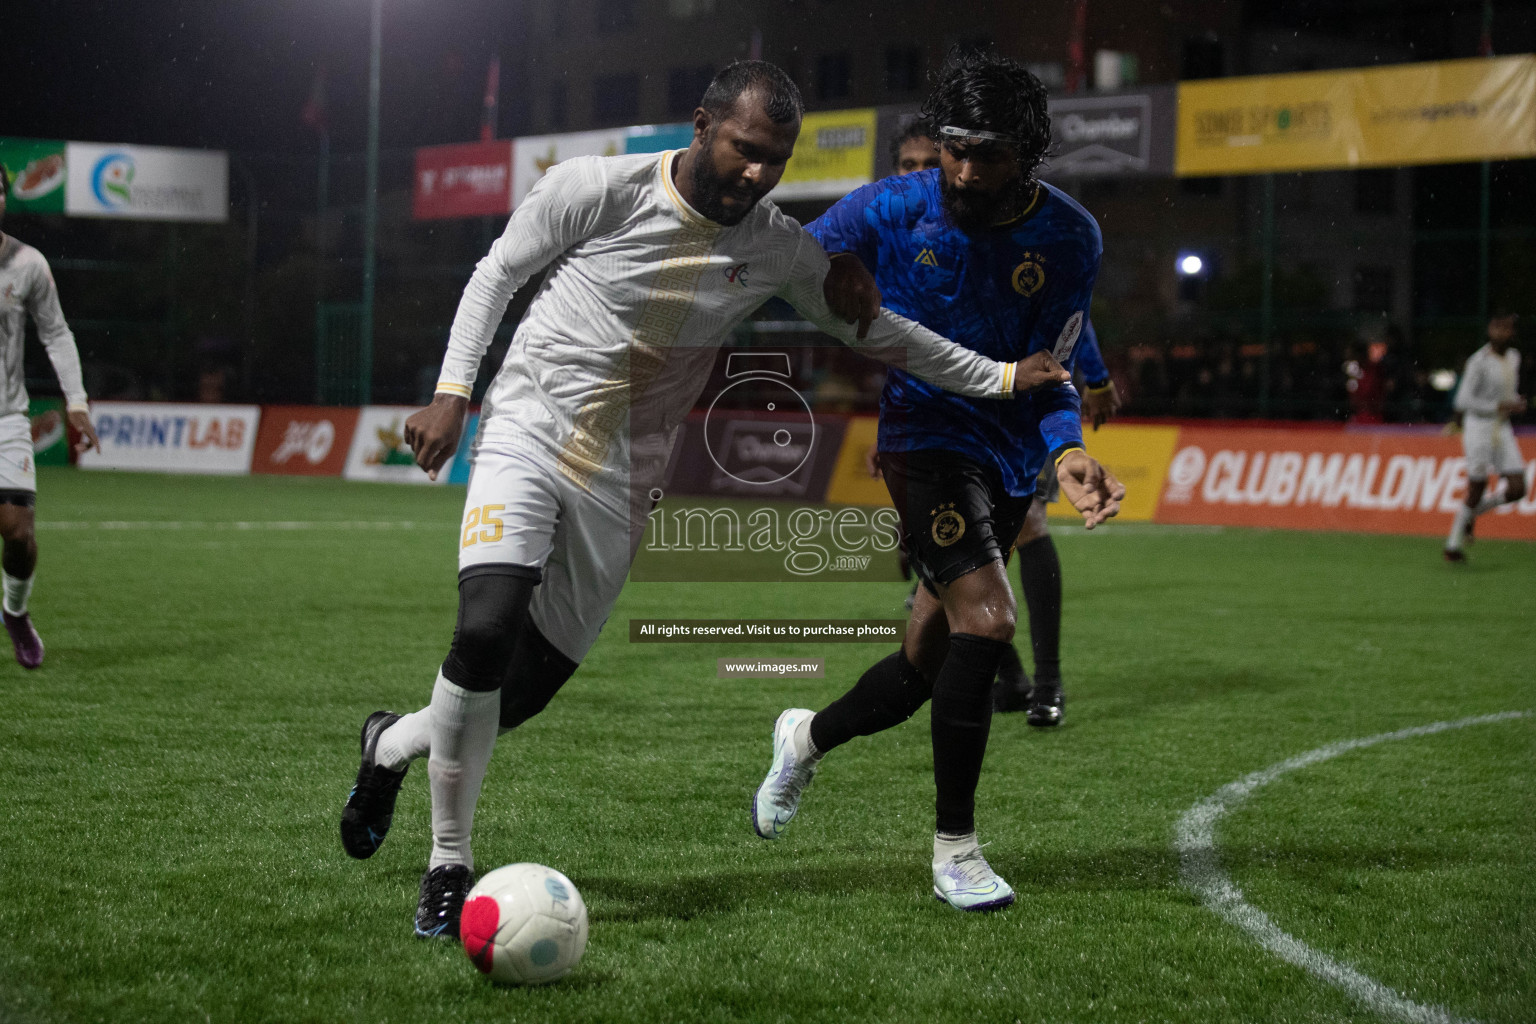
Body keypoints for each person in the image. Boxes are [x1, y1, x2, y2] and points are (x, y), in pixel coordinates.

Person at [336, 60, 1072, 940]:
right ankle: (448, 864)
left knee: (520, 694)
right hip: (527, 433)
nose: (758, 175)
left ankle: (389, 745)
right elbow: (498, 273)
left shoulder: (775, 247)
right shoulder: (593, 189)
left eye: (778, 161)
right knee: (486, 629)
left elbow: (888, 338)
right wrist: (454, 391)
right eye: (745, 150)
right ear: (701, 126)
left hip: (624, 477)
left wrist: (998, 375)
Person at [752, 51, 1123, 912]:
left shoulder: (1071, 237)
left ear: (1027, 154)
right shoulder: (896, 205)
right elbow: (793, 250)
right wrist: (829, 264)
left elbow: (1053, 363)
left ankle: (804, 739)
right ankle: (956, 850)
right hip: (922, 439)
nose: (961, 170)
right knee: (991, 620)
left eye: (986, 153)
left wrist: (1065, 451)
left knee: (927, 663)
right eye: (952, 147)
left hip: (1007, 452)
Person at [872, 119, 1124, 727]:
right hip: (931, 425)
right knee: (953, 568)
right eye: (904, 165)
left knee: (1024, 530)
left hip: (1009, 415)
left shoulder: (998, 229)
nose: (915, 176)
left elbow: (1066, 321)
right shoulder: (896, 230)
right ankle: (1010, 677)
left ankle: (1048, 683)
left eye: (924, 164)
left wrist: (1092, 378)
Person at [0, 169, 99, 669]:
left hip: (6, 420)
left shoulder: (26, 263)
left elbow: (56, 334)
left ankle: (14, 612)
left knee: (18, 533)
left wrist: (76, 400)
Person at [1444, 311, 1526, 562]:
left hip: (1501, 427)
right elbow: (1463, 399)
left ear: (1511, 332)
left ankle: (1472, 515)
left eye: (1506, 328)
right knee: (1477, 485)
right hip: (1478, 426)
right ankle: (1453, 546)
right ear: (1490, 330)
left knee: (1517, 488)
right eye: (1496, 327)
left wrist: (1515, 403)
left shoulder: (1514, 357)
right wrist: (1497, 406)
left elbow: (1507, 394)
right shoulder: (1478, 361)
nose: (1501, 332)